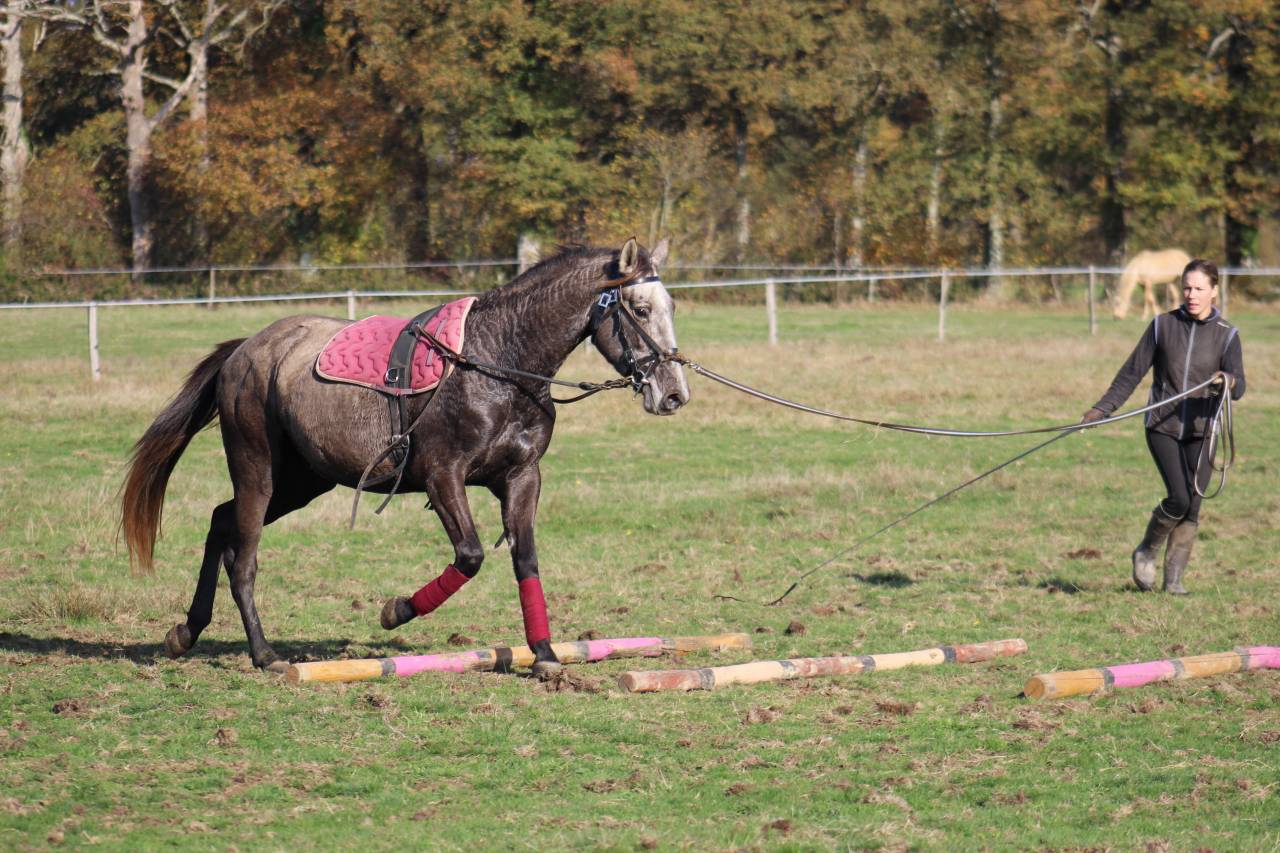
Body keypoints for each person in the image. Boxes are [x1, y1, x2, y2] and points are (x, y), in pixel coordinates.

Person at [1081, 259, 1245, 594]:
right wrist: (1102, 408)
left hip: (1203, 429)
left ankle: (1173, 580)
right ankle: (1146, 551)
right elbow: (1131, 374)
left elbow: (1239, 386)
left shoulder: (1227, 335)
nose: (1191, 295)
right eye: (1187, 288)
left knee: (1193, 505)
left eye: (1199, 289)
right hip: (1162, 425)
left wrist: (1227, 380)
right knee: (1180, 498)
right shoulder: (1162, 326)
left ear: (1214, 291)